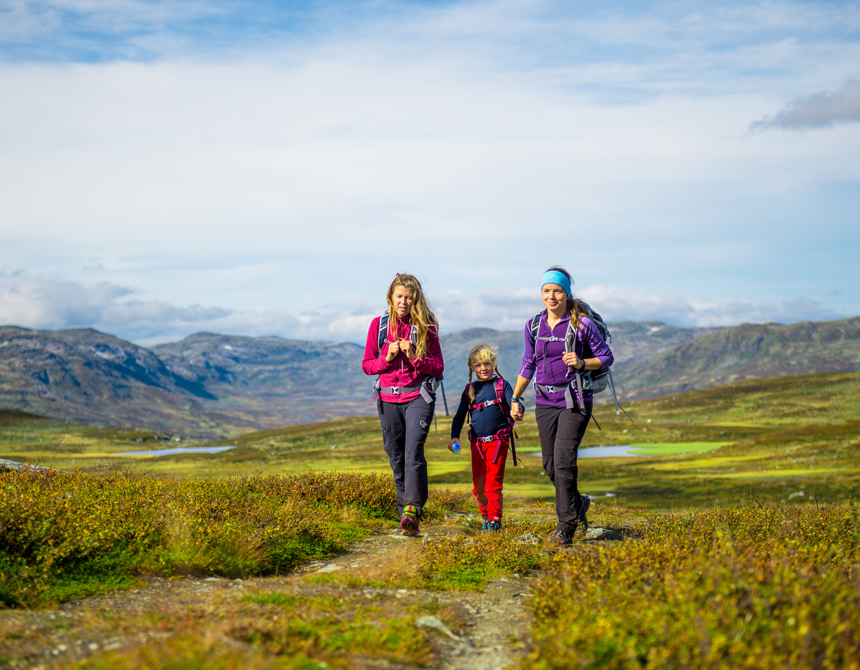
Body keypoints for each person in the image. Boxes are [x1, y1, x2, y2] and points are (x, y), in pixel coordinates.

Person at [510, 266, 614, 546]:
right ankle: (577, 503)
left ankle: (565, 528)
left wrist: (581, 363)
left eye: (557, 291)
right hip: (544, 401)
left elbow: (606, 357)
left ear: (567, 294)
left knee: (564, 461)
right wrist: (516, 398)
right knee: (550, 464)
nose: (551, 296)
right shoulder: (533, 325)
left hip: (575, 399)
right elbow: (528, 362)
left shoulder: (582, 324)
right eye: (546, 291)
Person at [362, 273, 444, 536]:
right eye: (399, 296)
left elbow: (439, 368)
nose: (404, 301)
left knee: (413, 453)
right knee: (396, 457)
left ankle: (412, 510)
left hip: (418, 398)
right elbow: (367, 365)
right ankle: (406, 517)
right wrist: (386, 358)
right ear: (391, 297)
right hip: (387, 398)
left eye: (409, 297)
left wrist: (414, 356)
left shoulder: (427, 327)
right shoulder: (379, 325)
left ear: (416, 299)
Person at [448, 345, 519, 532]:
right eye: (478, 365)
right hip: (477, 445)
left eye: (487, 363)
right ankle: (486, 516)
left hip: (498, 443)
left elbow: (515, 404)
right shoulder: (469, 390)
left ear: (494, 363)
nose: (483, 368)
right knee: (478, 487)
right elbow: (459, 417)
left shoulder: (502, 385)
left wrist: (517, 410)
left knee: (492, 483)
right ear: (472, 367)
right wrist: (454, 437)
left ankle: (495, 520)